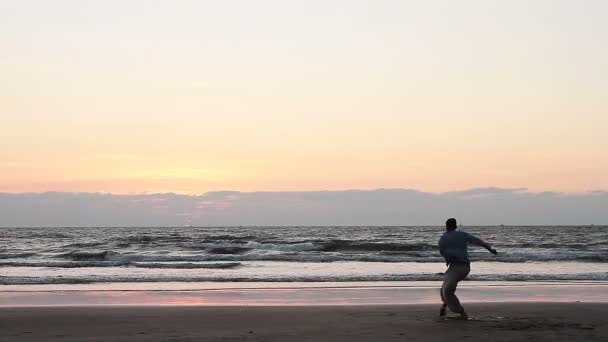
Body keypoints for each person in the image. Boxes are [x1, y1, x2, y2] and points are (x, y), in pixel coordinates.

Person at [438, 218, 497, 319]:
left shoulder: (450, 237)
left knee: (447, 289)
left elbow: (443, 252)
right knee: (444, 288)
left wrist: (490, 249)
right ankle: (444, 306)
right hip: (454, 267)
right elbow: (479, 242)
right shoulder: (447, 237)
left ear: (447, 226)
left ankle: (462, 313)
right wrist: (490, 249)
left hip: (461, 267)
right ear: (455, 226)